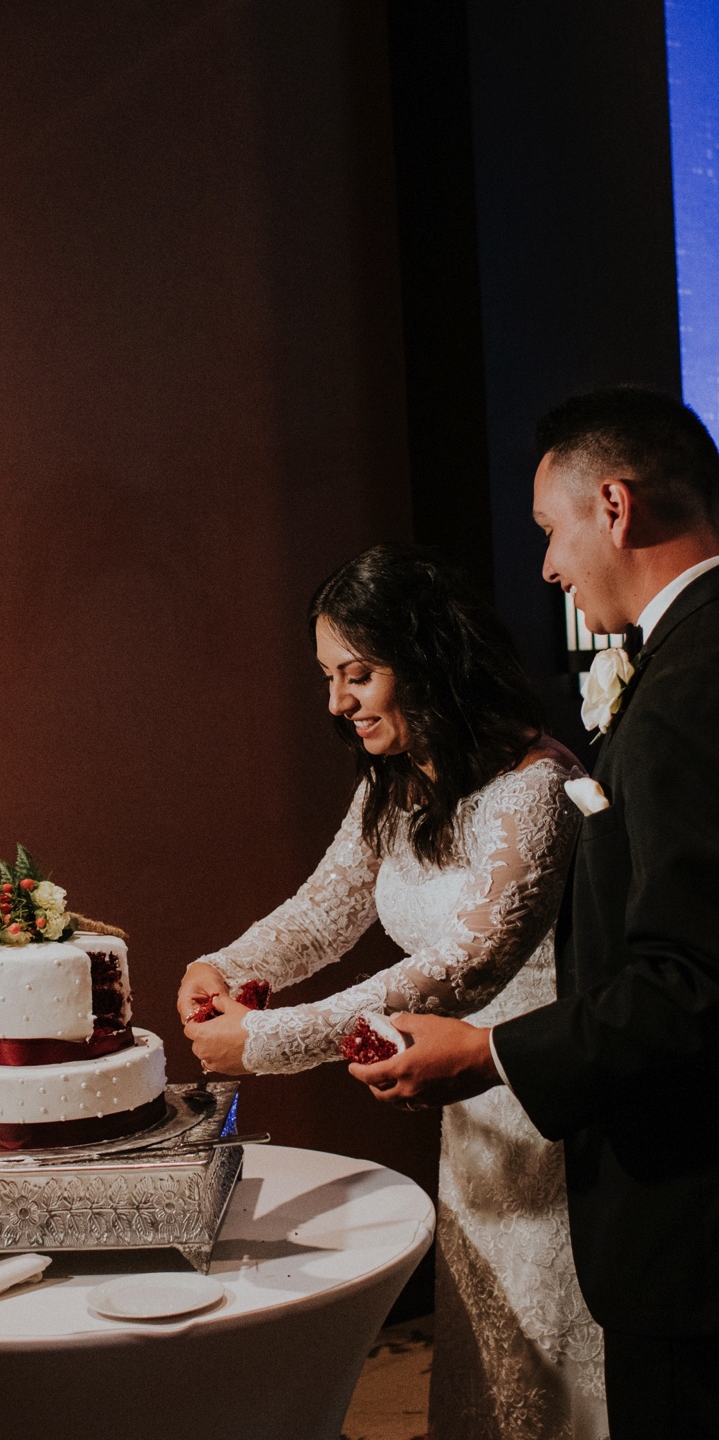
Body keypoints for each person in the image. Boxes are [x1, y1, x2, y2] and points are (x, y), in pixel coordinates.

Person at [178, 545, 609, 1440]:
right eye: (330, 677)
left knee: (560, 1353)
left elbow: (463, 964)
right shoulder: (395, 782)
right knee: (491, 1352)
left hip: (541, 1099)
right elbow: (321, 914)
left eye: (357, 674)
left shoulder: (536, 786)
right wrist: (221, 964)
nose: (337, 702)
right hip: (469, 1118)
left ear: (427, 657)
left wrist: (267, 1041)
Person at [359, 388, 719, 1438]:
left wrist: (487, 1054)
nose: (553, 566)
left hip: (693, 1219)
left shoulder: (691, 689)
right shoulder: (684, 660)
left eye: (552, 532)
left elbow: (690, 982)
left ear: (613, 505)